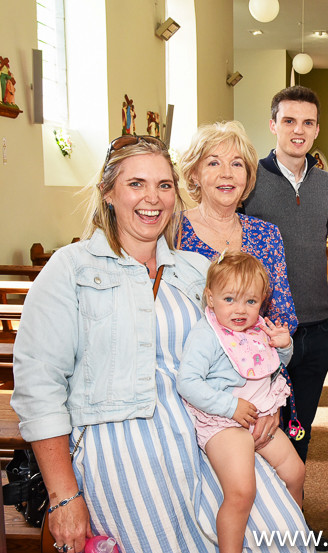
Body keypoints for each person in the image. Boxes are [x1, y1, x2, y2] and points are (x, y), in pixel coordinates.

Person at [11, 135, 310, 553]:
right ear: (108, 192)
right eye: (136, 184)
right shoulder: (71, 269)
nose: (152, 198)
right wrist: (64, 495)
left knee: (282, 534)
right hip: (121, 448)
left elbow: (242, 343)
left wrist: (267, 406)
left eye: (164, 185)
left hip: (203, 432)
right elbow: (37, 386)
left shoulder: (194, 271)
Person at [178, 251, 305, 553]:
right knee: (241, 492)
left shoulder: (258, 328)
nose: (240, 310)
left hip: (259, 417)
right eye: (229, 299)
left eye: (250, 302)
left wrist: (283, 347)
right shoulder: (208, 335)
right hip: (224, 423)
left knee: (296, 472)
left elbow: (271, 365)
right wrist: (230, 407)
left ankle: (290, 536)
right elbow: (187, 382)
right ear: (210, 298)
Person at [240, 85, 328, 465]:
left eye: (308, 122)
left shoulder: (325, 184)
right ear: (273, 124)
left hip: (314, 329)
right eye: (289, 120)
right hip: (262, 329)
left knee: (301, 430)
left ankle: (292, 517)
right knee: (261, 431)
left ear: (316, 130)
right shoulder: (250, 182)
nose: (299, 130)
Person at [178, 120, 297, 334]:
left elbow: (281, 315)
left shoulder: (266, 234)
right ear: (195, 174)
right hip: (191, 362)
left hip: (257, 359)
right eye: (214, 163)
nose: (227, 173)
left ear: (248, 175)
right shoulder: (172, 231)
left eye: (237, 164)